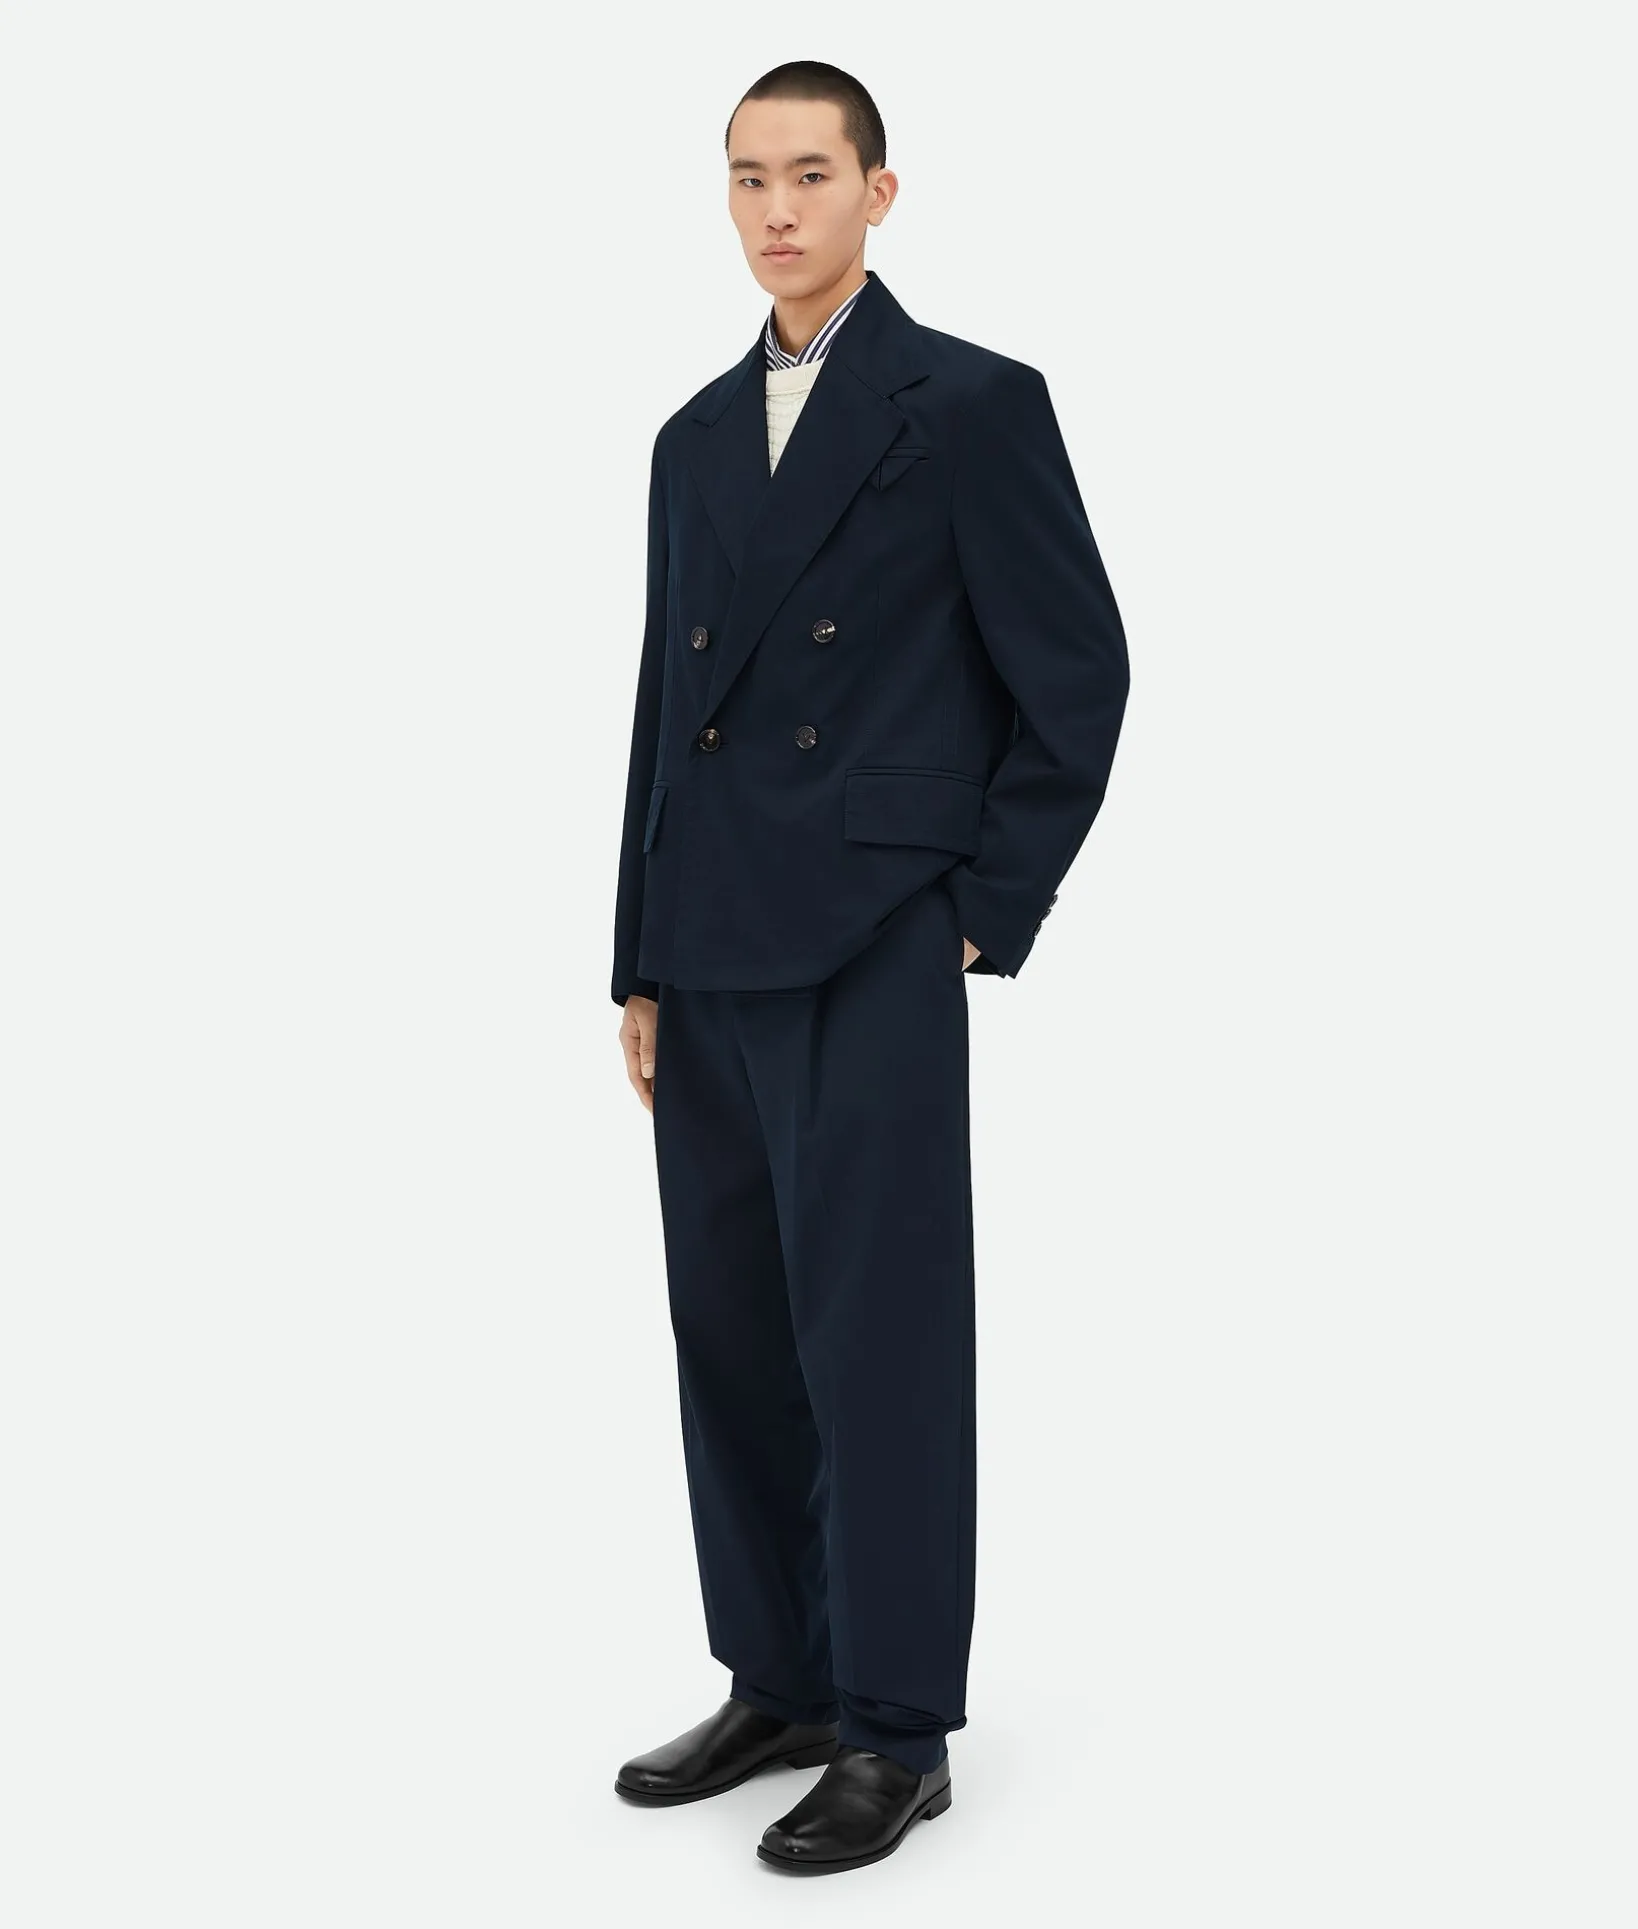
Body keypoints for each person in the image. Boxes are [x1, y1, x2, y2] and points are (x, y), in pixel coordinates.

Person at [609, 60, 1130, 1875]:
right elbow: (667, 712)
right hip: (711, 943)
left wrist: (983, 904)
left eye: (810, 175)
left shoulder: (969, 404)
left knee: (879, 1339)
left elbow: (1077, 673)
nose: (776, 210)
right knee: (733, 1332)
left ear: (877, 194)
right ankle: (778, 1677)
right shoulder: (689, 435)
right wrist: (634, 955)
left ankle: (895, 1727)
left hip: (870, 932)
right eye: (747, 177)